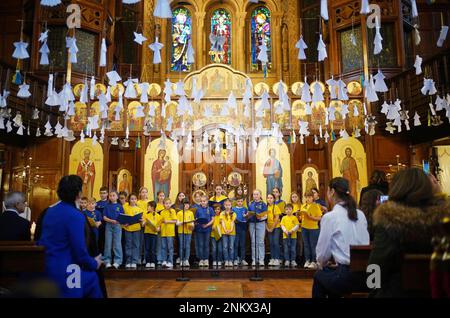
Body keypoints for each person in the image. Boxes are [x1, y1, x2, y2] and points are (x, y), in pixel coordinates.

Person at [368, 168, 450, 298]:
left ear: (397, 188)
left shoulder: (389, 220)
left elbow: (376, 266)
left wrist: (373, 291)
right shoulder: (444, 219)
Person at [38, 175, 103, 298]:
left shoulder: (49, 211)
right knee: (93, 279)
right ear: (78, 194)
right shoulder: (76, 215)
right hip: (66, 271)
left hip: (45, 267)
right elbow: (80, 251)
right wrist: (95, 263)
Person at [313, 177, 370, 298]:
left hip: (348, 276)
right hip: (369, 274)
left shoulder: (330, 217)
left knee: (319, 276)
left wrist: (323, 263)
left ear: (332, 191)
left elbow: (322, 255)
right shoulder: (360, 214)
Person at [301, 191, 323, 269]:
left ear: (312, 197)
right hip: (304, 227)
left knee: (313, 245)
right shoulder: (303, 206)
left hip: (313, 228)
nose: (308, 199)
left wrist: (311, 217)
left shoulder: (316, 206)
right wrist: (299, 216)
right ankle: (307, 260)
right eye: (306, 197)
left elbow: (320, 217)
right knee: (306, 245)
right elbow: (302, 217)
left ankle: (314, 261)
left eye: (309, 197)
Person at [103, 191, 124, 269]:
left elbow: (122, 216)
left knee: (117, 244)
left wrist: (122, 222)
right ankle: (107, 261)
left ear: (117, 197)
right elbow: (104, 217)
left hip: (117, 226)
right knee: (108, 244)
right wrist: (111, 221)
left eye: (113, 195)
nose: (112, 197)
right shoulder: (107, 206)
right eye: (110, 195)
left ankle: (117, 261)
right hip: (109, 225)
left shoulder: (120, 206)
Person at [123, 193, 144, 269]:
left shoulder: (139, 209)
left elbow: (142, 219)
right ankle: (128, 261)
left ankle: (134, 261)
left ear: (136, 200)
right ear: (129, 200)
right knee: (128, 245)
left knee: (136, 245)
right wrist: (124, 224)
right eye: (132, 199)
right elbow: (122, 218)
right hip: (128, 229)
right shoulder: (125, 208)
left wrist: (141, 220)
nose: (133, 200)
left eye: (135, 199)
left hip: (136, 229)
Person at [248, 189, 268, 266]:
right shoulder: (251, 204)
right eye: (254, 194)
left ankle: (261, 259)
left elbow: (266, 215)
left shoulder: (263, 204)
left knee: (260, 242)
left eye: (257, 194)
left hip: (261, 224)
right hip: (252, 224)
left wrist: (261, 217)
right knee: (253, 242)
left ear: (260, 195)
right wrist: (247, 215)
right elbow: (249, 213)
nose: (255, 196)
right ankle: (254, 259)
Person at [194, 195, 214, 267]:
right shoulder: (198, 209)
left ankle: (206, 259)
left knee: (206, 245)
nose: (203, 202)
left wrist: (207, 225)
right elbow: (196, 219)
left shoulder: (210, 209)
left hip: (207, 229)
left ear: (207, 201)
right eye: (201, 201)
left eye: (204, 201)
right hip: (199, 229)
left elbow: (212, 219)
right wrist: (197, 222)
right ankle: (201, 259)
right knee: (200, 245)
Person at [160, 198, 177, 268]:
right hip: (163, 232)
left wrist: (167, 221)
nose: (167, 205)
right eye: (166, 203)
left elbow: (175, 221)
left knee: (170, 247)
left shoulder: (172, 211)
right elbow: (160, 221)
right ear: (163, 204)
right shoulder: (162, 212)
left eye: (169, 203)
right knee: (163, 247)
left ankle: (170, 261)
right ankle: (164, 260)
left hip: (170, 232)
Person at [176, 198, 194, 267]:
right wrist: (181, 222)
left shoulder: (191, 213)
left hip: (189, 231)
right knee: (182, 246)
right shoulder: (179, 213)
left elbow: (192, 222)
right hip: (181, 231)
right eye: (185, 204)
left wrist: (192, 225)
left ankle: (186, 260)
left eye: (188, 204)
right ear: (182, 205)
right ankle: (181, 259)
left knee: (187, 246)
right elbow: (177, 223)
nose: (186, 206)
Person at [143, 201, 161, 269]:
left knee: (153, 248)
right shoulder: (145, 214)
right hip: (147, 233)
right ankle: (148, 261)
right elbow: (142, 224)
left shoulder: (158, 216)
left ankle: (153, 262)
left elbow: (159, 227)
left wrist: (157, 228)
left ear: (153, 207)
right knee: (147, 248)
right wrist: (144, 223)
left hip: (154, 234)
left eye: (149, 206)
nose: (147, 207)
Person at [266, 193, 282, 266]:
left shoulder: (276, 207)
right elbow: (264, 219)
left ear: (274, 199)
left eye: (271, 198)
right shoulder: (265, 207)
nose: (269, 199)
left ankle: (277, 258)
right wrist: (267, 228)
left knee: (276, 243)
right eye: (268, 198)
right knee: (271, 243)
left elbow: (276, 219)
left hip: (276, 227)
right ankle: (272, 258)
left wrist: (272, 228)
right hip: (269, 228)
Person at [232, 196, 248, 266]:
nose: (240, 203)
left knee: (242, 244)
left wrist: (246, 216)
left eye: (241, 201)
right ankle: (235, 259)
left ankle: (243, 259)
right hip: (236, 228)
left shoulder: (245, 209)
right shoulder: (233, 209)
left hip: (243, 228)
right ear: (236, 202)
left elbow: (247, 218)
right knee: (236, 244)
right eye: (238, 201)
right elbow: (231, 217)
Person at [221, 200, 236, 267]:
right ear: (224, 206)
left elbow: (232, 222)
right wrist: (225, 230)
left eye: (229, 205)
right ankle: (226, 260)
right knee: (225, 247)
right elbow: (222, 222)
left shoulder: (233, 213)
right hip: (224, 232)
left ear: (231, 205)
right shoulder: (222, 213)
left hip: (232, 232)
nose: (227, 206)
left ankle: (231, 260)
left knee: (231, 247)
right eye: (226, 205)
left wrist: (230, 230)